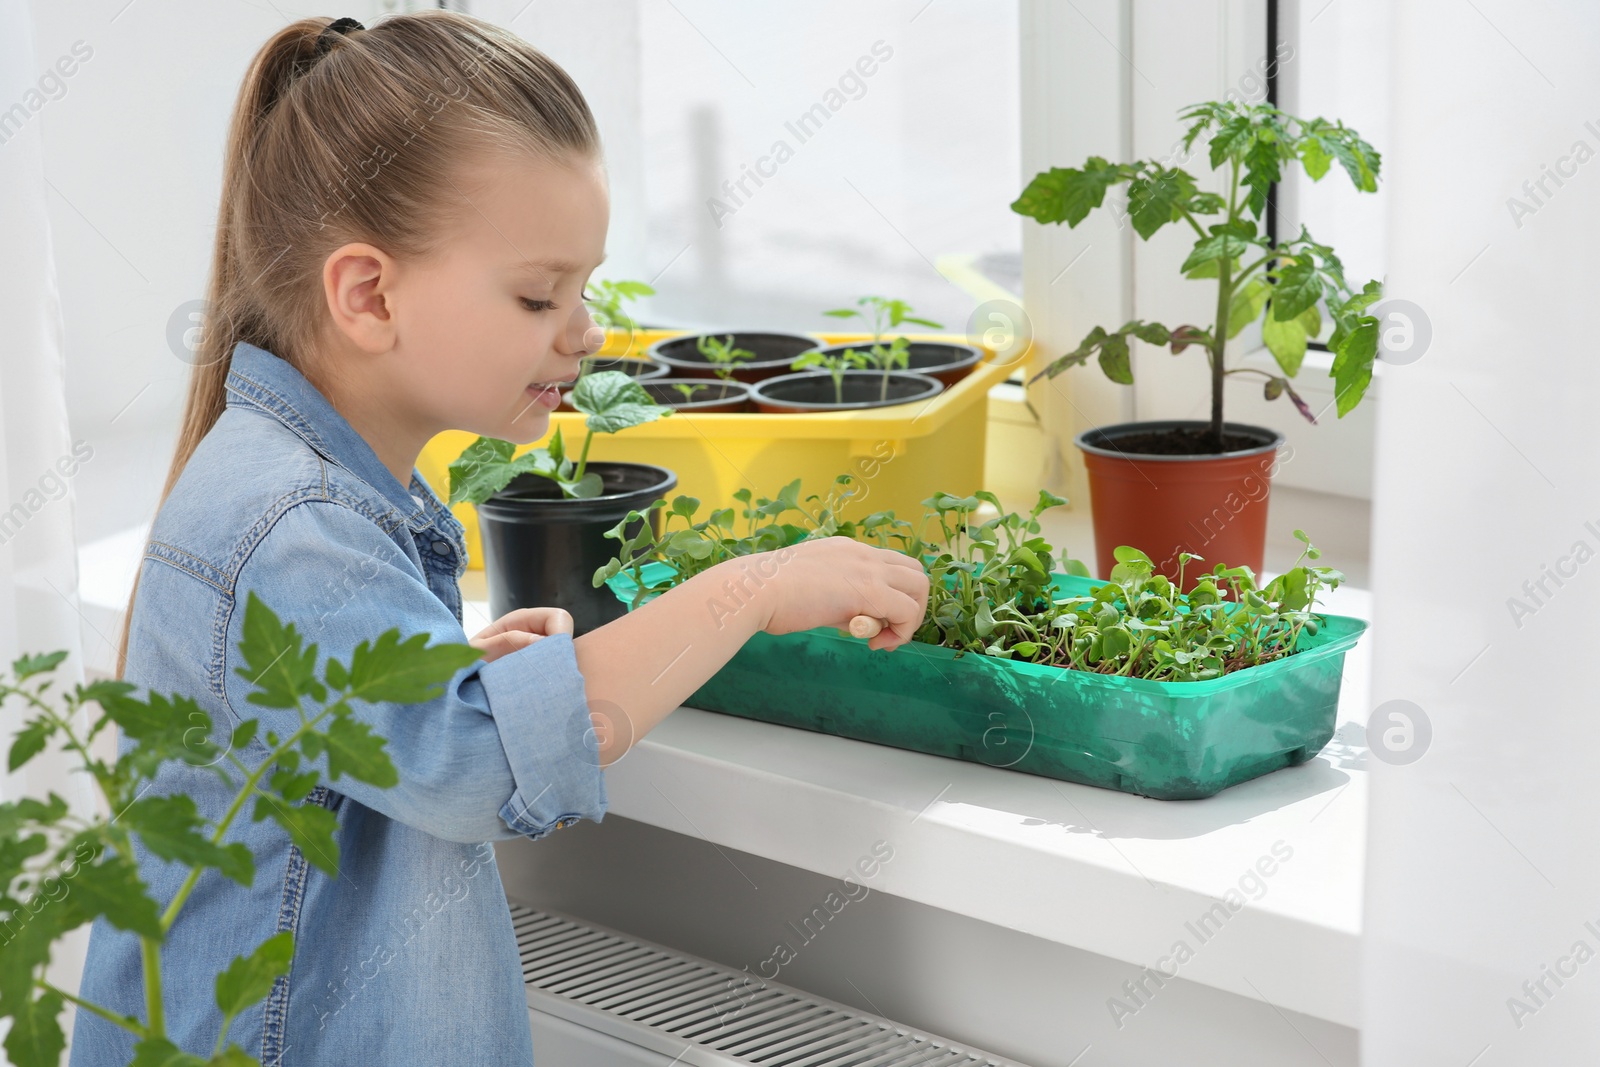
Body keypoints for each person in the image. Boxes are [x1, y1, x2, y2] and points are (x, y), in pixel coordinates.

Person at [70, 12, 928, 1066]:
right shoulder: (295, 523)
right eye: (537, 293)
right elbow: (478, 766)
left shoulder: (312, 486)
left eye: (583, 286)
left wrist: (441, 674)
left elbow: (359, 737)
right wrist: (746, 587)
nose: (585, 330)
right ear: (369, 294)